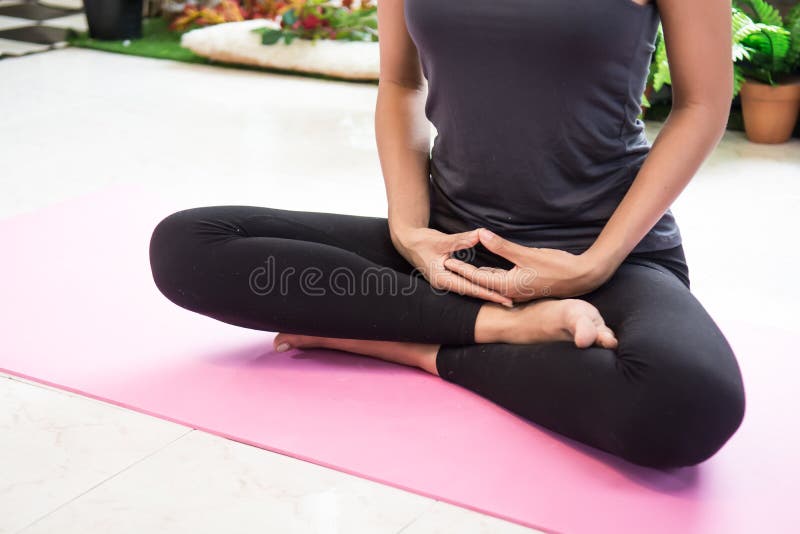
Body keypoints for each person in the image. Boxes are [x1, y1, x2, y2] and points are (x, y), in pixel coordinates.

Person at [149, 0, 745, 469]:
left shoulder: (598, 262)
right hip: (449, 252)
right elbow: (400, 86)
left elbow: (704, 102)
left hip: (601, 255)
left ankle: (410, 345)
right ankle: (502, 328)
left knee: (690, 403)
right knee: (188, 246)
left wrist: (592, 265)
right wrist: (410, 231)